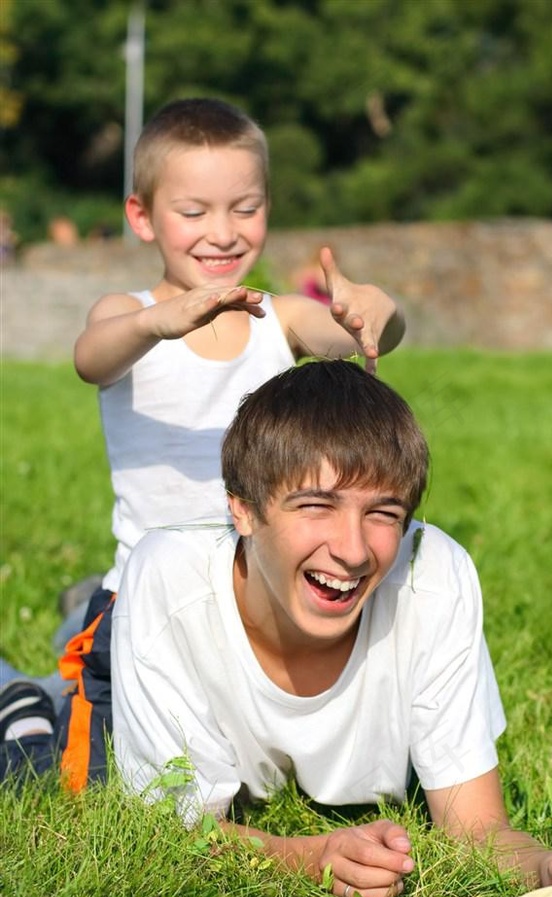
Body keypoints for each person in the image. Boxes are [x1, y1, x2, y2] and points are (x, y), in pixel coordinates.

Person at [105, 360, 552, 897]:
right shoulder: (168, 581)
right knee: (53, 743)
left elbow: (476, 828)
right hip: (125, 652)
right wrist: (310, 857)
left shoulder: (432, 578)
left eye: (384, 514)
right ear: (242, 510)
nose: (353, 550)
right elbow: (173, 833)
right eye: (316, 505)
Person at [0, 98, 405, 789]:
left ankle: (70, 634)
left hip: (256, 603)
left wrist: (378, 310)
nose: (222, 233)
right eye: (194, 213)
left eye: (244, 209)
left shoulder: (283, 320)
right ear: (142, 217)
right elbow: (92, 357)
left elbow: (367, 334)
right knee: (86, 781)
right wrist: (161, 322)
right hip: (146, 602)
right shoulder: (129, 316)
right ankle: (23, 698)